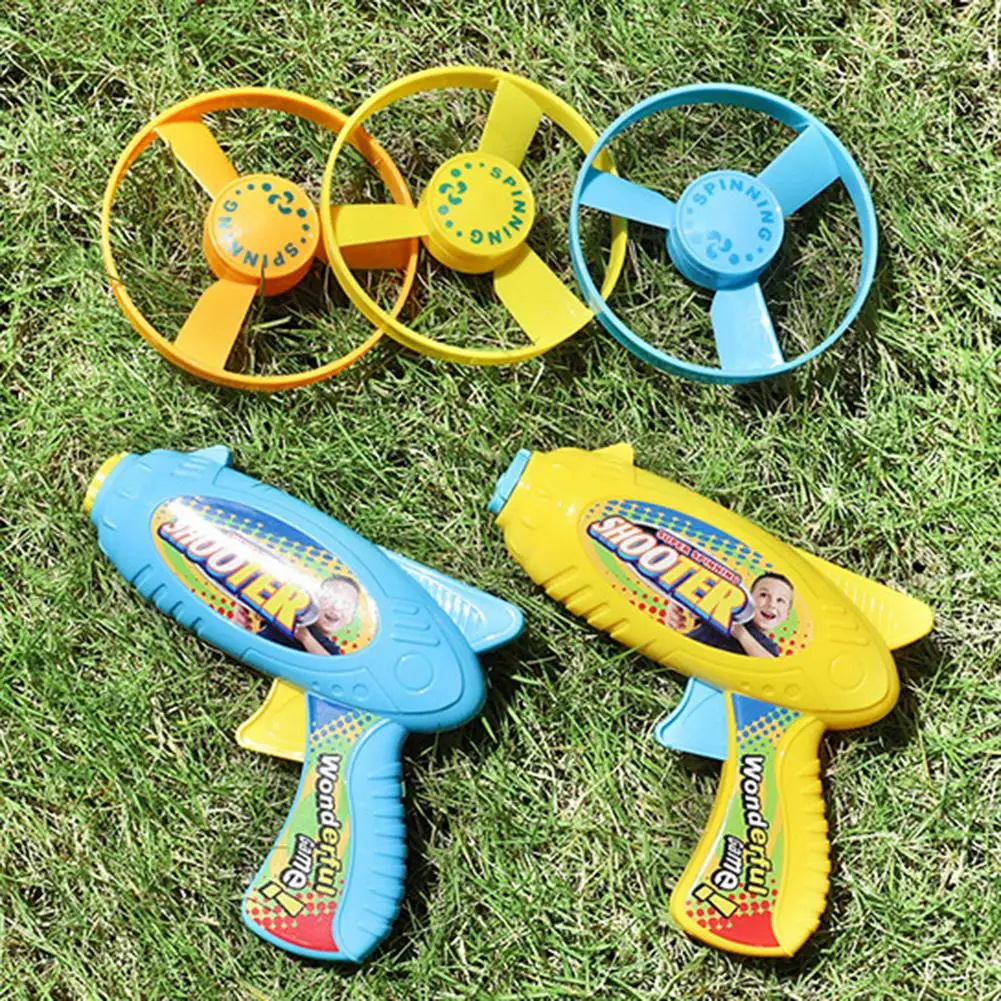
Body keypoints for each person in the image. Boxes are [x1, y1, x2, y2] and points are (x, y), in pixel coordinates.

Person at [667, 572, 793, 657]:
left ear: (786, 615)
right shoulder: (728, 609)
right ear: (749, 600)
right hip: (684, 654)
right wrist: (676, 604)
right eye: (763, 595)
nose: (771, 604)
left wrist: (741, 634)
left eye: (780, 600)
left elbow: (769, 667)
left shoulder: (768, 648)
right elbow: (693, 600)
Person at [231, 574, 361, 655]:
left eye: (346, 604)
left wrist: (305, 637)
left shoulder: (330, 651)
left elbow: (330, 669)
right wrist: (240, 618)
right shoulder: (290, 614)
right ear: (315, 600)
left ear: (350, 618)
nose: (336, 607)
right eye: (329, 598)